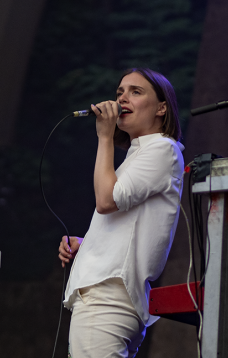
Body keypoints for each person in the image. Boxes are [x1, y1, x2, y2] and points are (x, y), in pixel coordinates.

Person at [57, 68, 185, 358]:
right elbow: (127, 226)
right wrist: (85, 243)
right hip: (110, 298)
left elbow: (105, 200)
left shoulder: (162, 149)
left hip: (108, 299)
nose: (122, 98)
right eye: (119, 92)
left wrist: (104, 137)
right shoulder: (138, 155)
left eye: (135, 92)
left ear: (162, 108)